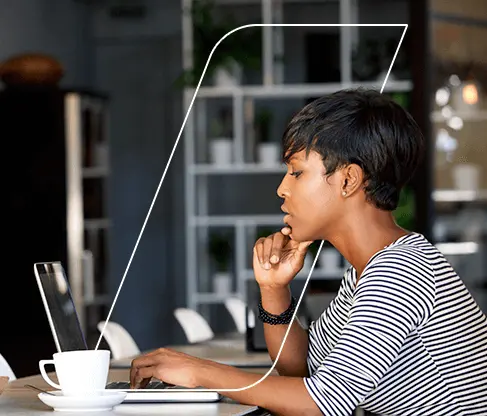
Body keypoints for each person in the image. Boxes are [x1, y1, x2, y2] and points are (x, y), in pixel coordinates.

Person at [130, 89, 487, 415]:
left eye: (297, 173)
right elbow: (299, 367)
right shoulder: (369, 269)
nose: (282, 188)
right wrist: (274, 291)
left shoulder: (399, 271)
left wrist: (200, 371)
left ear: (348, 180)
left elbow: (321, 403)